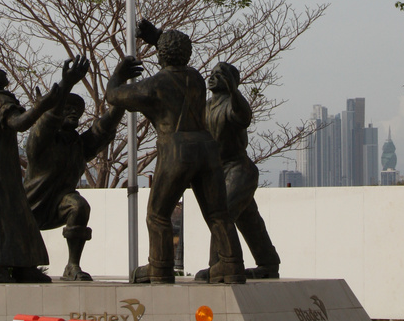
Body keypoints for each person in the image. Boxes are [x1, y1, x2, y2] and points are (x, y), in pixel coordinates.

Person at [106, 20, 245, 285]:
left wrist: (119, 73)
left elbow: (113, 96)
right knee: (218, 213)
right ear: (187, 54)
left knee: (158, 214)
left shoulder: (154, 85)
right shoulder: (196, 78)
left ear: (160, 56)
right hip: (206, 147)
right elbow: (175, 53)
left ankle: (160, 267)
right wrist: (158, 38)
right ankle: (231, 264)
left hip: (176, 149)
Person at [0, 54, 87, 283]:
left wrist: (54, 95)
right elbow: (19, 123)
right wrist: (41, 106)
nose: (4, 73)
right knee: (4, 215)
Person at [24, 56, 142, 281]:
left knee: (79, 206)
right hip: (28, 206)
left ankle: (72, 266)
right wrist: (66, 84)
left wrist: (121, 87)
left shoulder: (79, 144)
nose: (72, 113)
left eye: (77, 110)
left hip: (58, 203)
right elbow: (47, 121)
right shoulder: (41, 142)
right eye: (66, 107)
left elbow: (105, 126)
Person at [195, 61, 280, 281]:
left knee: (222, 216)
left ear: (231, 82)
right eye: (212, 73)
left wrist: (235, 91)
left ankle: (220, 264)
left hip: (239, 170)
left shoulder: (232, 105)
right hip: (216, 172)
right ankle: (268, 262)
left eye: (219, 74)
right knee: (248, 219)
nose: (212, 77)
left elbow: (244, 117)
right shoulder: (204, 107)